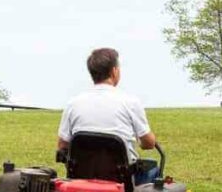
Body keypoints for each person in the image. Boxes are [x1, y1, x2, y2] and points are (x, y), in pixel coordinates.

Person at [57, 48, 161, 184]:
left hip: (81, 179)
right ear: (114, 71)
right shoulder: (130, 102)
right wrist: (148, 141)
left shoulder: (73, 103)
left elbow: (62, 146)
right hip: (123, 181)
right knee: (154, 170)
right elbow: (148, 143)